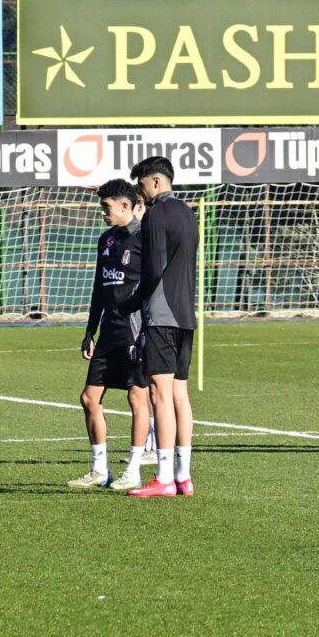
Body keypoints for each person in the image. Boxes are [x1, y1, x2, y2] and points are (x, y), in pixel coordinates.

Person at [71, 179, 154, 490]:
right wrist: (89, 331)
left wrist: (147, 331)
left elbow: (152, 288)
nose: (102, 212)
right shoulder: (105, 239)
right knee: (89, 398)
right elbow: (98, 288)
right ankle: (99, 469)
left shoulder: (145, 240)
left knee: (137, 398)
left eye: (106, 207)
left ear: (125, 206)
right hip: (108, 333)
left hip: (134, 332)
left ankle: (134, 469)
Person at [127, 156, 199, 496]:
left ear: (155, 182)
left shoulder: (156, 213)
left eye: (141, 186)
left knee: (159, 395)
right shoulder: (187, 211)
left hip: (161, 314)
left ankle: (164, 478)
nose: (141, 195)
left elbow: (153, 268)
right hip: (186, 315)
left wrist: (132, 302)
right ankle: (184, 476)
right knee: (180, 396)